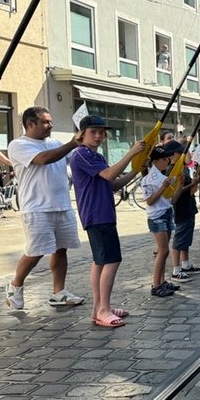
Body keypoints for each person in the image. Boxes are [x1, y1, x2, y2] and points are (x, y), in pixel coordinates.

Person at [69, 116, 145, 326]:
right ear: (82, 133)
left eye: (101, 132)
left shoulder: (95, 155)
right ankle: (103, 309)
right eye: (93, 131)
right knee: (111, 260)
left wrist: (136, 171)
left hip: (102, 214)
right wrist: (131, 152)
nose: (98, 136)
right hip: (97, 214)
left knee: (100, 261)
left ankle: (100, 308)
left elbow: (112, 184)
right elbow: (111, 175)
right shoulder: (82, 153)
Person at [6, 106, 84, 309]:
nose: (51, 125)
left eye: (50, 121)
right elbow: (44, 159)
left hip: (62, 205)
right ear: (30, 124)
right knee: (35, 251)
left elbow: (71, 160)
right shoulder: (18, 145)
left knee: (61, 250)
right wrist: (72, 143)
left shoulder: (54, 142)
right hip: (37, 208)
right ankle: (15, 286)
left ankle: (59, 293)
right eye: (46, 122)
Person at [141, 145, 179, 297]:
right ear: (155, 161)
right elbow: (149, 201)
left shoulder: (164, 177)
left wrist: (179, 185)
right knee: (163, 250)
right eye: (164, 159)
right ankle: (156, 284)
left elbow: (172, 199)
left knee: (164, 250)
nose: (168, 161)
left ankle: (162, 281)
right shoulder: (148, 179)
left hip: (167, 212)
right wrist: (163, 188)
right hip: (157, 216)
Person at [164, 140, 200, 283]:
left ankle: (186, 264)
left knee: (186, 237)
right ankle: (177, 269)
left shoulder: (183, 167)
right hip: (180, 206)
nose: (184, 154)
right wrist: (193, 183)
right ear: (173, 154)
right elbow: (176, 191)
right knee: (180, 237)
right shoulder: (172, 169)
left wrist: (196, 181)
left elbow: (188, 186)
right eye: (181, 152)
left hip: (189, 204)